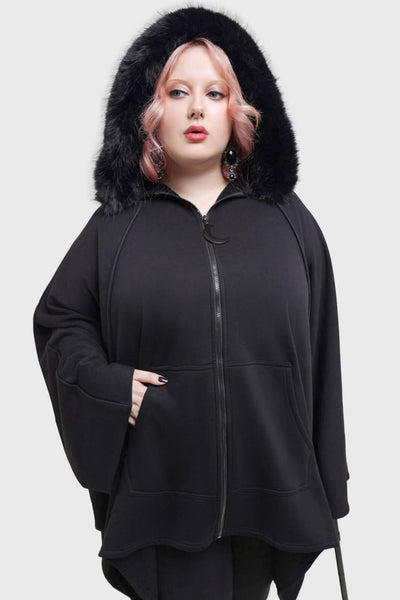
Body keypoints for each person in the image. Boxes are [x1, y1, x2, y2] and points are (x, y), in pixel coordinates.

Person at [33, 6, 351, 600]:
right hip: (163, 493)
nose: (197, 109)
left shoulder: (290, 222)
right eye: (177, 92)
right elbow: (60, 320)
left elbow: (322, 353)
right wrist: (108, 386)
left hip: (273, 489)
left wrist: (330, 486)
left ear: (241, 109)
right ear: (149, 112)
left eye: (215, 92)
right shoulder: (115, 227)